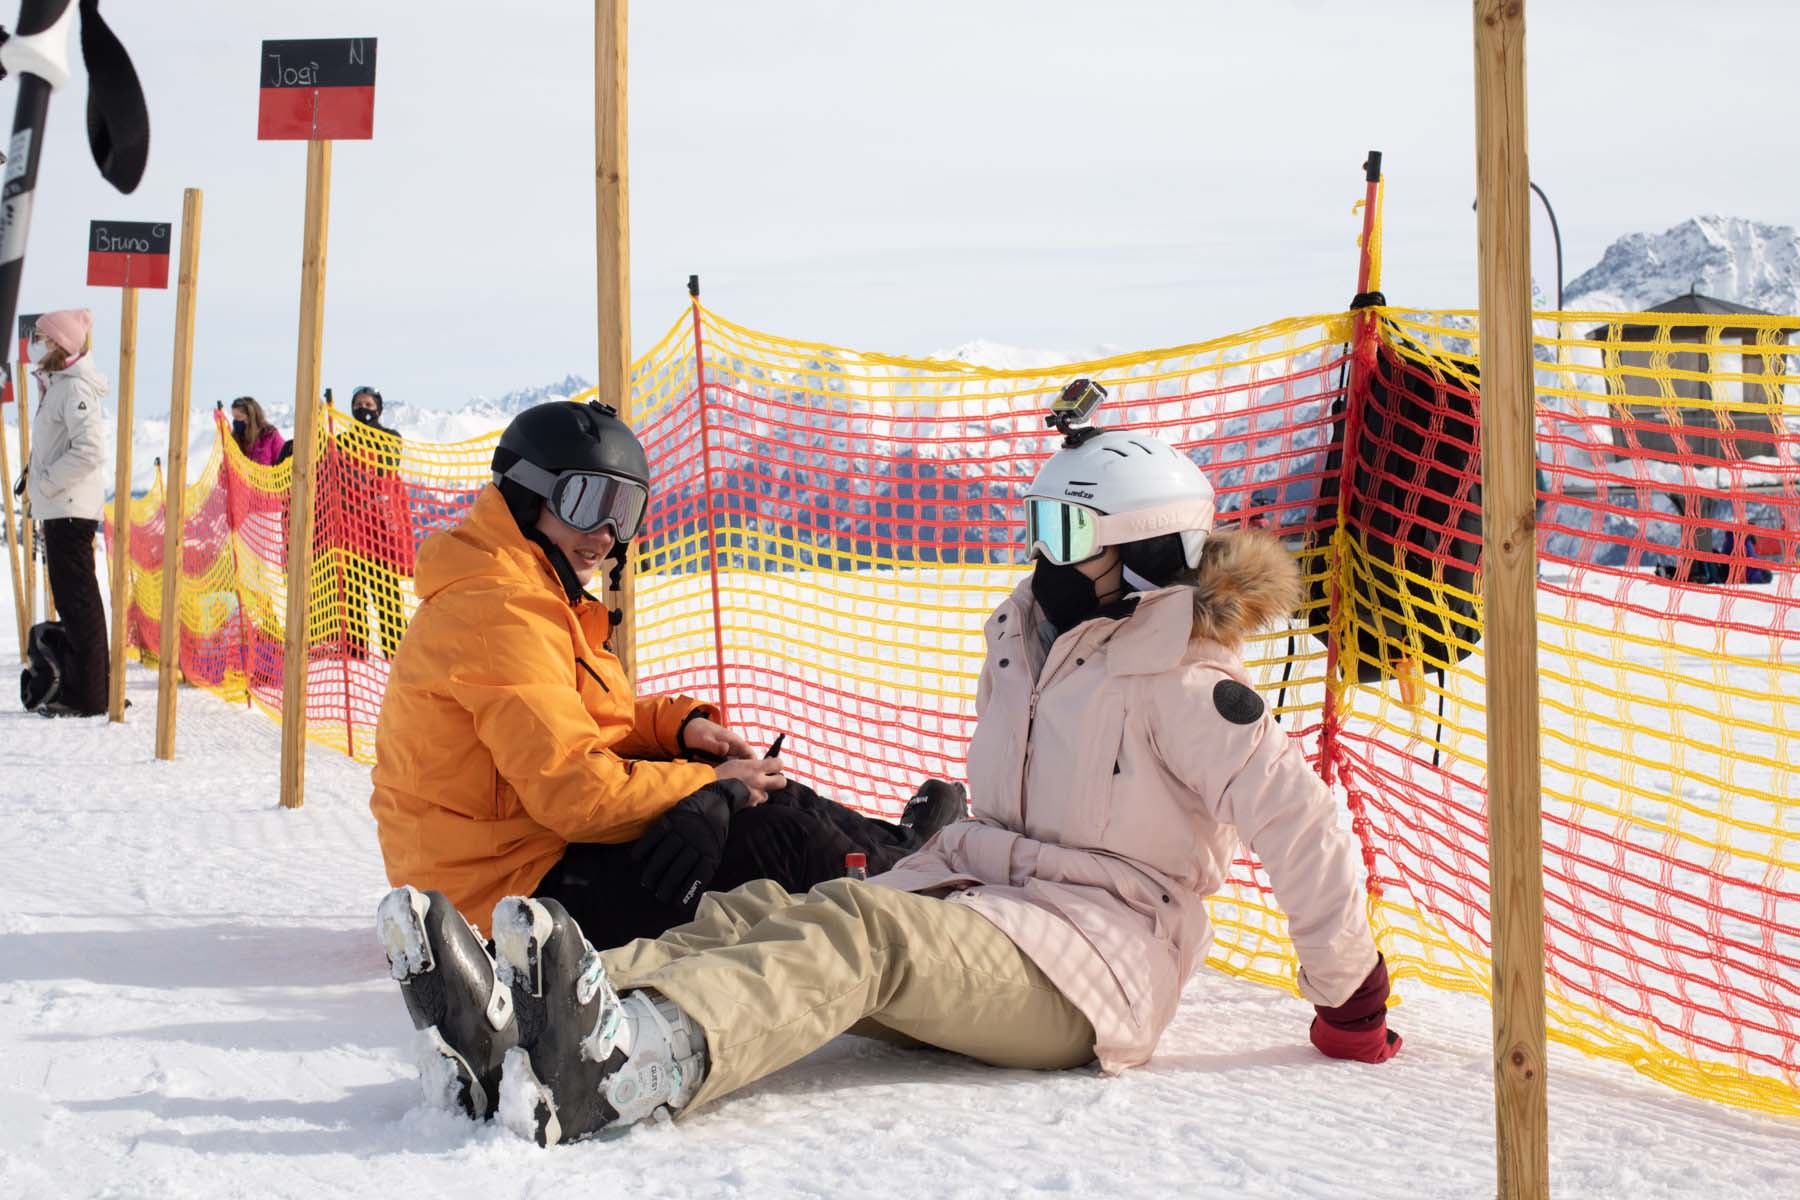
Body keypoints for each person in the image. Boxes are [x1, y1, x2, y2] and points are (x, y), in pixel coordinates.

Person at [374, 381, 1400, 1144]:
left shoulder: (1185, 682)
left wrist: (1349, 997)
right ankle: (530, 1021)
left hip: (1097, 964)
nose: (1041, 556)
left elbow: (1298, 821)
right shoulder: (1033, 648)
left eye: (1065, 529)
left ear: (1143, 555)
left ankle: (636, 1058)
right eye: (1035, 524)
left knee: (862, 924)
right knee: (768, 907)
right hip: (995, 913)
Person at [371, 399, 963, 1119]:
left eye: (628, 507)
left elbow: (586, 720)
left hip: (513, 854)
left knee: (769, 797)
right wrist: (709, 787)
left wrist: (679, 730)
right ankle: (918, 890)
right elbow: (575, 793)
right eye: (588, 500)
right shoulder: (504, 610)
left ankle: (903, 852)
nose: (607, 534)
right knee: (767, 828)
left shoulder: (523, 588)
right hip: (507, 893)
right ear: (528, 496)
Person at [21, 310, 110, 718]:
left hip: (70, 509)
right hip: (61, 507)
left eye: (40, 336)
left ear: (59, 344)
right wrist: (35, 481)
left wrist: (47, 483)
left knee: (79, 600)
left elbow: (89, 450)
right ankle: (81, 687)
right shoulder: (58, 386)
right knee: (73, 601)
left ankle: (90, 696)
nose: (34, 341)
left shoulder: (75, 388)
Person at [333, 385, 411, 658]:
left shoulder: (390, 437)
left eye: (368, 404)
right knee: (353, 588)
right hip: (352, 526)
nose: (363, 409)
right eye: (358, 404)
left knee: (385, 589)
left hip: (380, 525)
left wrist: (358, 482)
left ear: (378, 408)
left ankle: (395, 649)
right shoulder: (342, 440)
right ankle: (356, 649)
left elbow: (385, 467)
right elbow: (339, 474)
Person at [229, 396, 285, 466]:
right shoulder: (234, 439)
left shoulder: (270, 436)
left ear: (251, 417)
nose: (235, 421)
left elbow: (283, 465)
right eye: (234, 417)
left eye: (238, 417)